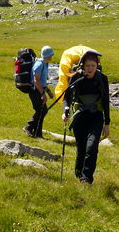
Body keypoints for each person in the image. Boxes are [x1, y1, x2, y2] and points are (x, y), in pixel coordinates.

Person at [63, 50, 110, 184]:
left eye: (93, 65)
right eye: (87, 66)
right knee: (82, 147)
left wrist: (107, 123)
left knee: (92, 147)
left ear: (97, 66)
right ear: (83, 66)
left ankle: (86, 178)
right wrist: (65, 111)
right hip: (80, 117)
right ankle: (79, 173)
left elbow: (106, 101)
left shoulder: (102, 78)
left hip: (96, 116)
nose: (90, 68)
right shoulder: (76, 77)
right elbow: (67, 97)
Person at [25, 46, 55, 138]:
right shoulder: (39, 64)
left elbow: (42, 82)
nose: (52, 56)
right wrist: (43, 94)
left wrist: (48, 92)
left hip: (38, 90)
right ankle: (28, 127)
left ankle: (38, 134)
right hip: (35, 91)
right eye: (51, 54)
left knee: (42, 111)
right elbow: (36, 81)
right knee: (41, 111)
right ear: (47, 55)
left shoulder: (44, 64)